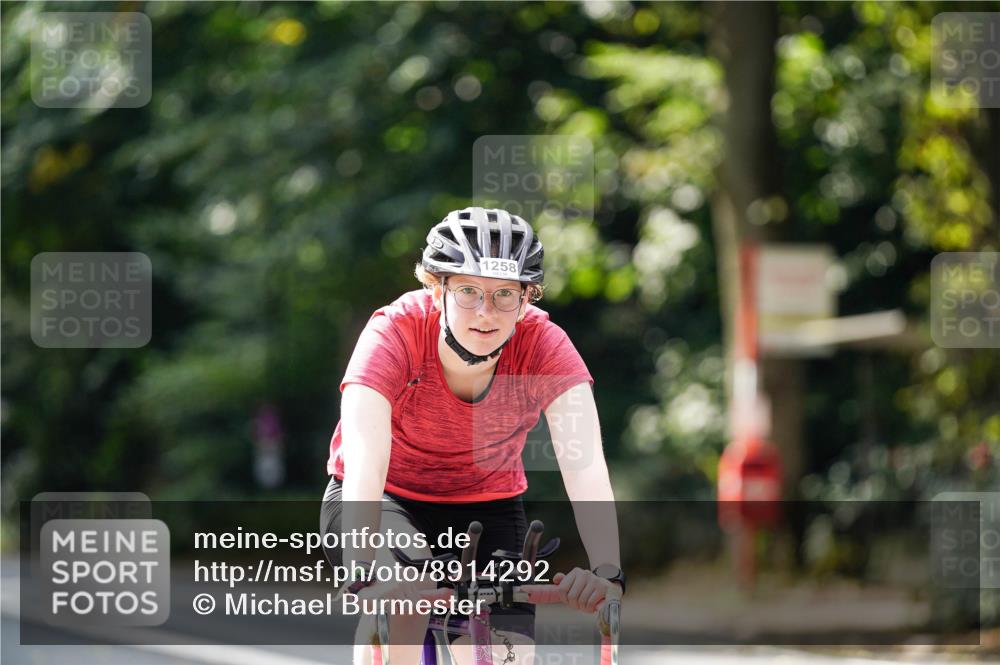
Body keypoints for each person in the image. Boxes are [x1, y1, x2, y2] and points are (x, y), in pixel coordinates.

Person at [320, 207, 624, 665]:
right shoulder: (394, 332)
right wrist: (366, 568)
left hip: (487, 505)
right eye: (467, 291)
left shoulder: (544, 345)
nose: (486, 312)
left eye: (505, 294)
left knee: (507, 657)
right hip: (385, 497)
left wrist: (607, 572)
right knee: (403, 606)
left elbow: (584, 466)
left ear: (527, 299)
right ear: (436, 288)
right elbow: (366, 459)